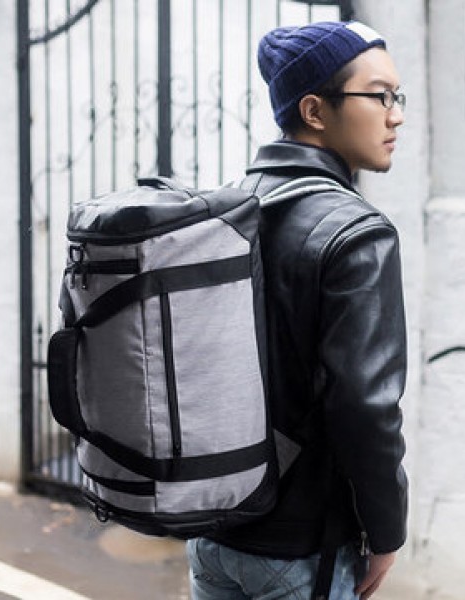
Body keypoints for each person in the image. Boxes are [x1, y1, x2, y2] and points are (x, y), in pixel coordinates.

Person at [187, 20, 408, 600]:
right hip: (301, 551)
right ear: (314, 110)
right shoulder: (357, 232)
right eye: (379, 95)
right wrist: (386, 531)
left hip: (211, 534)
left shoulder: (226, 208)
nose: (395, 116)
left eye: (397, 97)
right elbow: (364, 406)